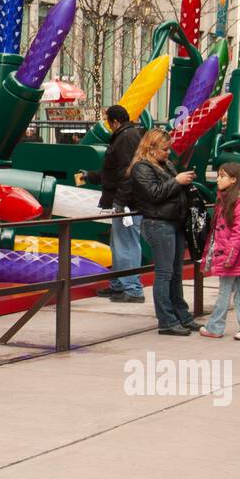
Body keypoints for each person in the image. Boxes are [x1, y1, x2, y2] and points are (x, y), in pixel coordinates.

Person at [128, 129, 197, 335]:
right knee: (165, 273)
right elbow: (154, 194)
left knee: (175, 273)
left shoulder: (164, 164)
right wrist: (177, 181)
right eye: (165, 149)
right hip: (158, 223)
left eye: (168, 149)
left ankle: (181, 316)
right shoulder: (141, 168)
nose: (168, 153)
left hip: (172, 221)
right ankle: (167, 320)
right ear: (151, 148)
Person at [84, 105, 146, 303]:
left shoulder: (125, 138)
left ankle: (132, 288)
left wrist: (120, 200)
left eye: (108, 121)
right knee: (120, 243)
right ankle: (121, 284)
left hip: (127, 202)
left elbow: (127, 172)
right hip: (126, 200)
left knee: (125, 243)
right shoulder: (128, 136)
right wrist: (93, 177)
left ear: (115, 121)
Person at [200, 162, 240, 340]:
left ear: (233, 180)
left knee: (224, 292)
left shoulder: (239, 204)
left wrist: (229, 256)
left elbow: (239, 234)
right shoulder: (228, 200)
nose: (218, 179)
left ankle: (215, 326)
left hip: (230, 255)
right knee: (238, 291)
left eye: (222, 176)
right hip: (229, 254)